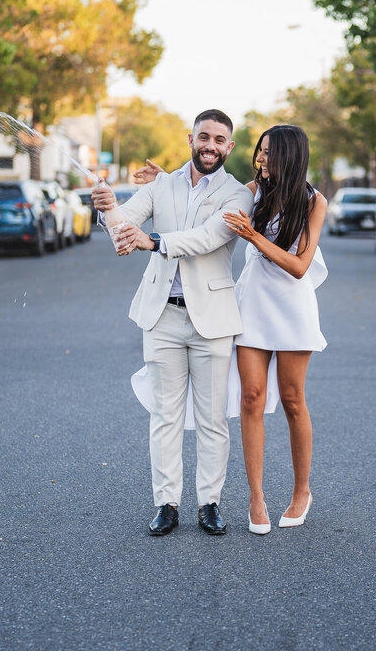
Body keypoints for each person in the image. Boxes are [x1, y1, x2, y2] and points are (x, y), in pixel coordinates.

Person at [134, 124, 328, 536]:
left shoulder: (314, 202)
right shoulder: (253, 191)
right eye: (260, 151)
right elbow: (207, 194)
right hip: (252, 303)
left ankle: (301, 492)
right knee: (251, 400)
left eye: (269, 153)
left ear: (290, 156)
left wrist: (254, 236)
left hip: (292, 307)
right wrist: (166, 182)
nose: (261, 159)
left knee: (294, 400)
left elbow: (298, 266)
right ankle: (256, 499)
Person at [93, 108, 254, 537]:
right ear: (191, 139)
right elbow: (123, 228)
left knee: (212, 418)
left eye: (219, 140)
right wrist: (109, 210)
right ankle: (166, 503)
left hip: (213, 321)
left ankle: (210, 503)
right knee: (164, 416)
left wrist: (155, 240)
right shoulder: (160, 185)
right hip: (161, 315)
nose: (210, 146)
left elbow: (208, 238)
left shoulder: (239, 196)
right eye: (204, 137)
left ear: (229, 147)